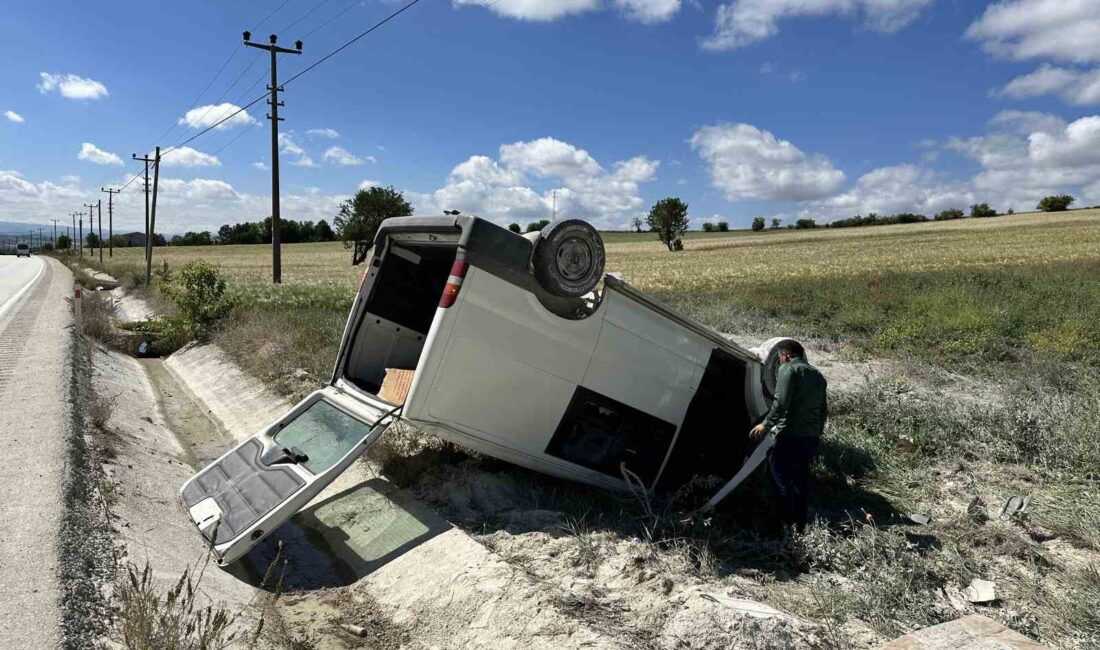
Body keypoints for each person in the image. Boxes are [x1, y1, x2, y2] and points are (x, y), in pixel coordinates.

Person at [749, 340, 828, 532]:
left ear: (784, 355)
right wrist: (816, 432)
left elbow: (780, 402)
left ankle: (781, 526)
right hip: (811, 437)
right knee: (799, 480)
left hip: (791, 434)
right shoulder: (817, 375)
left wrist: (765, 424)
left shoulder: (788, 370)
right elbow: (823, 410)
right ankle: (799, 524)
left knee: (780, 479)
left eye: (780, 358)